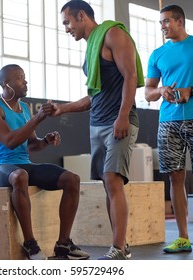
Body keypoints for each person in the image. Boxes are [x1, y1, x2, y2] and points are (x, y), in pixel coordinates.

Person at [56, 0, 144, 260]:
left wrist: (123, 116)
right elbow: (93, 97)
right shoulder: (91, 49)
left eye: (67, 22)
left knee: (113, 179)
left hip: (119, 121)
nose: (67, 28)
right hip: (98, 123)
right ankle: (122, 246)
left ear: (81, 15)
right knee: (108, 183)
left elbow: (131, 76)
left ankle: (118, 248)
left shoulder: (112, 34)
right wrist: (62, 109)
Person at [0, 64, 90, 260]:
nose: (25, 81)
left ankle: (63, 245)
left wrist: (45, 141)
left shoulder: (23, 109)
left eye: (24, 77)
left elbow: (31, 146)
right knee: (19, 176)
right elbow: (10, 141)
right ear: (7, 84)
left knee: (72, 179)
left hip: (23, 163)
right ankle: (30, 244)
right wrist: (39, 118)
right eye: (20, 78)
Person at [145, 4, 193, 254]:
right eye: (160, 23)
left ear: (179, 21)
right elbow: (148, 91)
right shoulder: (157, 54)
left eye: (166, 21)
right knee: (175, 177)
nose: (162, 26)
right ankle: (183, 237)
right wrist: (161, 91)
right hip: (168, 122)